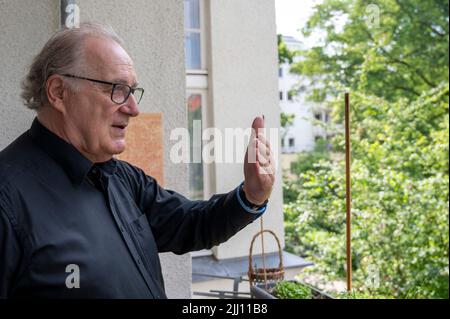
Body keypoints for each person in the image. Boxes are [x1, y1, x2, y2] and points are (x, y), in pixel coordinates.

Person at [0, 23, 275, 298]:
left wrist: (251, 196)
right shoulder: (7, 199)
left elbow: (190, 223)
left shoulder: (120, 177)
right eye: (117, 89)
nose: (134, 109)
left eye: (132, 91)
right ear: (59, 92)